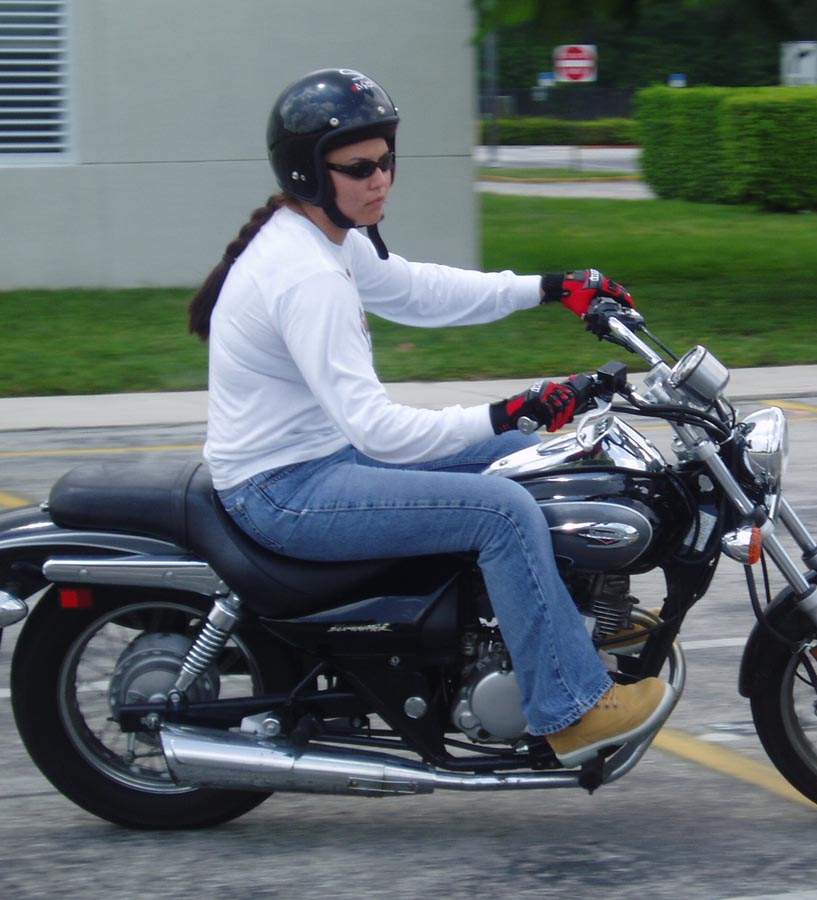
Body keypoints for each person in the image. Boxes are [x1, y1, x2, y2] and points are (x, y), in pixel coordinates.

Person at [186, 68, 668, 767]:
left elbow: (417, 291)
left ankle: (558, 628)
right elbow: (378, 431)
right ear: (308, 172)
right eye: (359, 168)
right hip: (284, 491)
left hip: (318, 461)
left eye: (387, 160)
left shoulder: (327, 238)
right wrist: (514, 407)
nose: (380, 179)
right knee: (502, 511)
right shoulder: (307, 275)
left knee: (522, 459)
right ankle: (571, 707)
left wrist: (549, 288)